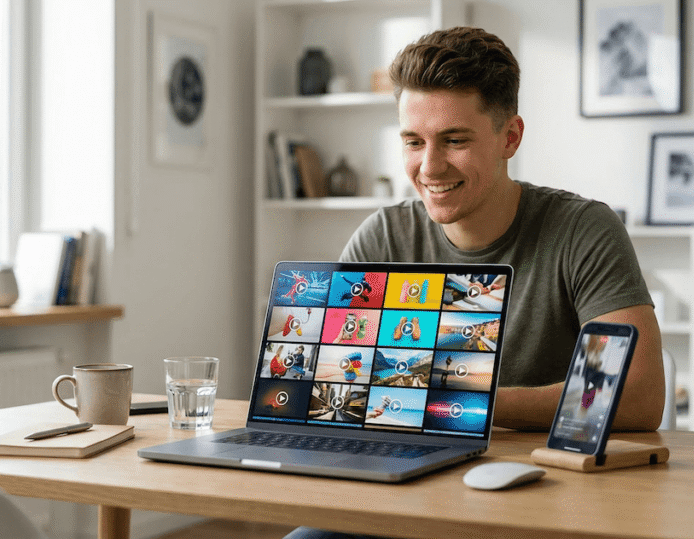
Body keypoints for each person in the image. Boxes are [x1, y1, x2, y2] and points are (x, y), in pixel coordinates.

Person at [283, 25, 664, 539]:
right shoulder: (384, 237)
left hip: (546, 499)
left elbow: (638, 396)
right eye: (413, 142)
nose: (430, 166)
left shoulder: (581, 231)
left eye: (454, 140)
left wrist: (464, 403)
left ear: (510, 138)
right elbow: (338, 384)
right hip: (400, 494)